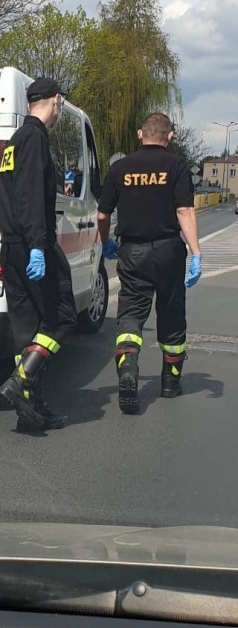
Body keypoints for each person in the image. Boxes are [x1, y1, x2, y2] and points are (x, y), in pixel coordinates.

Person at [97, 111, 201, 415]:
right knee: (171, 314)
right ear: (169, 137)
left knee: (130, 315)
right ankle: (170, 384)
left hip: (133, 253)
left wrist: (106, 243)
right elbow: (184, 212)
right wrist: (195, 253)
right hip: (169, 252)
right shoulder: (177, 166)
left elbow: (102, 215)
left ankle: (128, 369)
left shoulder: (120, 168)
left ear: (141, 134)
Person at [0, 76, 77, 431]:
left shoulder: (14, 140)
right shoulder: (34, 139)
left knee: (27, 328)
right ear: (56, 100)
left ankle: (30, 409)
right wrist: (39, 248)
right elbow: (28, 197)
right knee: (62, 317)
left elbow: (6, 197)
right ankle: (20, 381)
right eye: (61, 105)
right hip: (31, 245)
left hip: (11, 245)